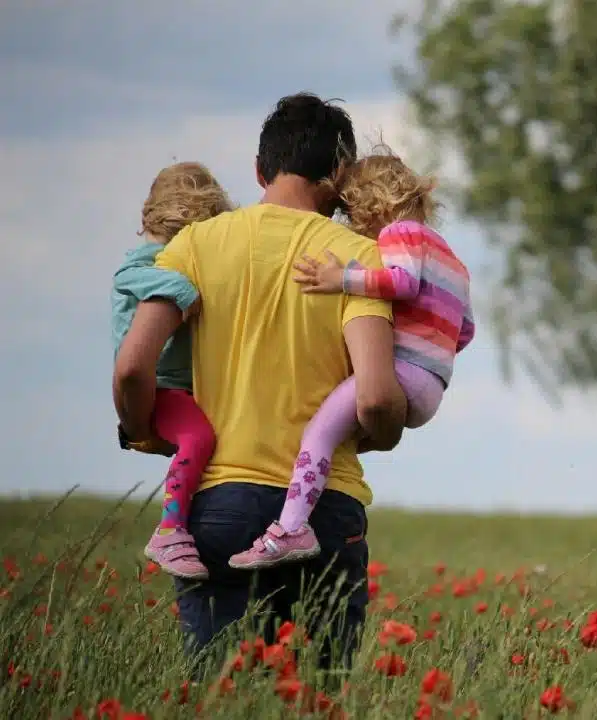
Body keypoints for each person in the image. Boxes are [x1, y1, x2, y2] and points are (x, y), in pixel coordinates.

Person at [112, 92, 407, 672]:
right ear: (339, 175)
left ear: (259, 169)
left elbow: (130, 366)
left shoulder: (193, 245)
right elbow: (374, 397)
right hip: (325, 510)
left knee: (221, 695)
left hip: (219, 505)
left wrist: (141, 428)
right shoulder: (358, 259)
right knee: (319, 698)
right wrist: (386, 431)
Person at [229, 150, 475, 570]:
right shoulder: (452, 259)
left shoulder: (400, 234)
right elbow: (465, 330)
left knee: (318, 433)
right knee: (339, 433)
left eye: (350, 212)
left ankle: (290, 529)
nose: (352, 225)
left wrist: (339, 279)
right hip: (432, 384)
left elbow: (401, 282)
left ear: (372, 203)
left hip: (403, 372)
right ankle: (310, 504)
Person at [111, 162, 231, 580]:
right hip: (161, 387)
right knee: (199, 437)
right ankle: (170, 528)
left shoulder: (164, 256)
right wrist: (184, 290)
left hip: (180, 387)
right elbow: (131, 278)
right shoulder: (148, 262)